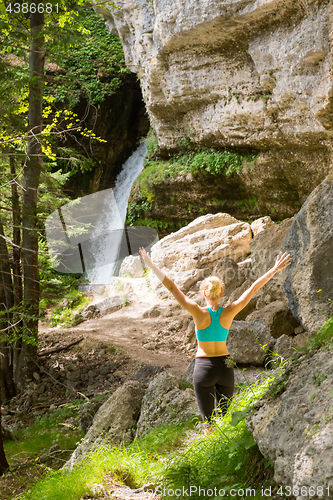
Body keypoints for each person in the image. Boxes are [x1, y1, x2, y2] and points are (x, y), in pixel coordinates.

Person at [139, 247, 291, 434]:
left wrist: (151, 264)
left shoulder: (197, 311)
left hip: (203, 368)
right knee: (226, 420)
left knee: (208, 425)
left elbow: (172, 287)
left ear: (205, 293)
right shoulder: (229, 311)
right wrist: (274, 269)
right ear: (221, 294)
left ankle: (209, 450)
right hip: (224, 368)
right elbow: (253, 288)